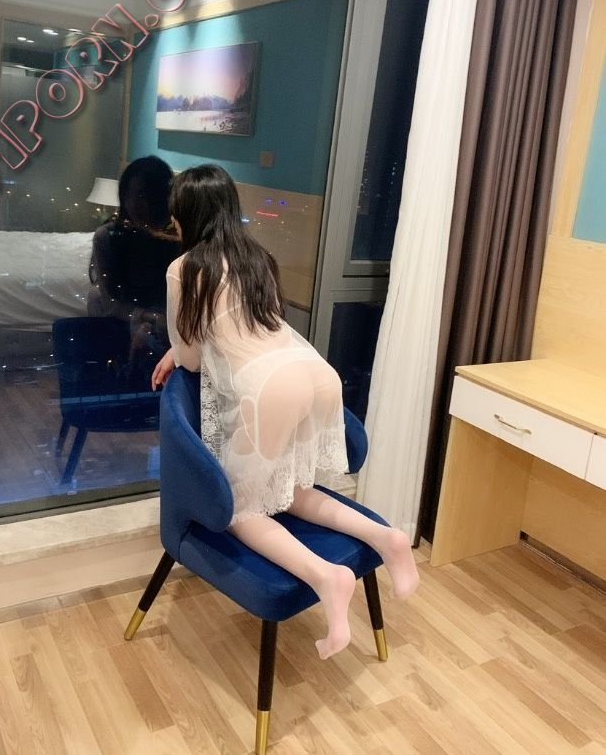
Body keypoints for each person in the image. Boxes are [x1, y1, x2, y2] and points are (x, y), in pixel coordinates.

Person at [151, 164, 419, 660]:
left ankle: (327, 577)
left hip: (270, 388)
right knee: (290, 490)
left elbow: (191, 357)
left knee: (238, 510)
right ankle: (389, 538)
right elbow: (253, 326)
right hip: (314, 372)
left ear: (186, 214)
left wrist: (175, 350)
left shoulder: (184, 268)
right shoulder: (257, 258)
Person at [87, 156, 181, 380]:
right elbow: (110, 301)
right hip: (124, 321)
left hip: (166, 324)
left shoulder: (176, 239)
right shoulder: (109, 236)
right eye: (130, 195)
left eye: (143, 196)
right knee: (95, 297)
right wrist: (146, 318)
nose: (135, 204)